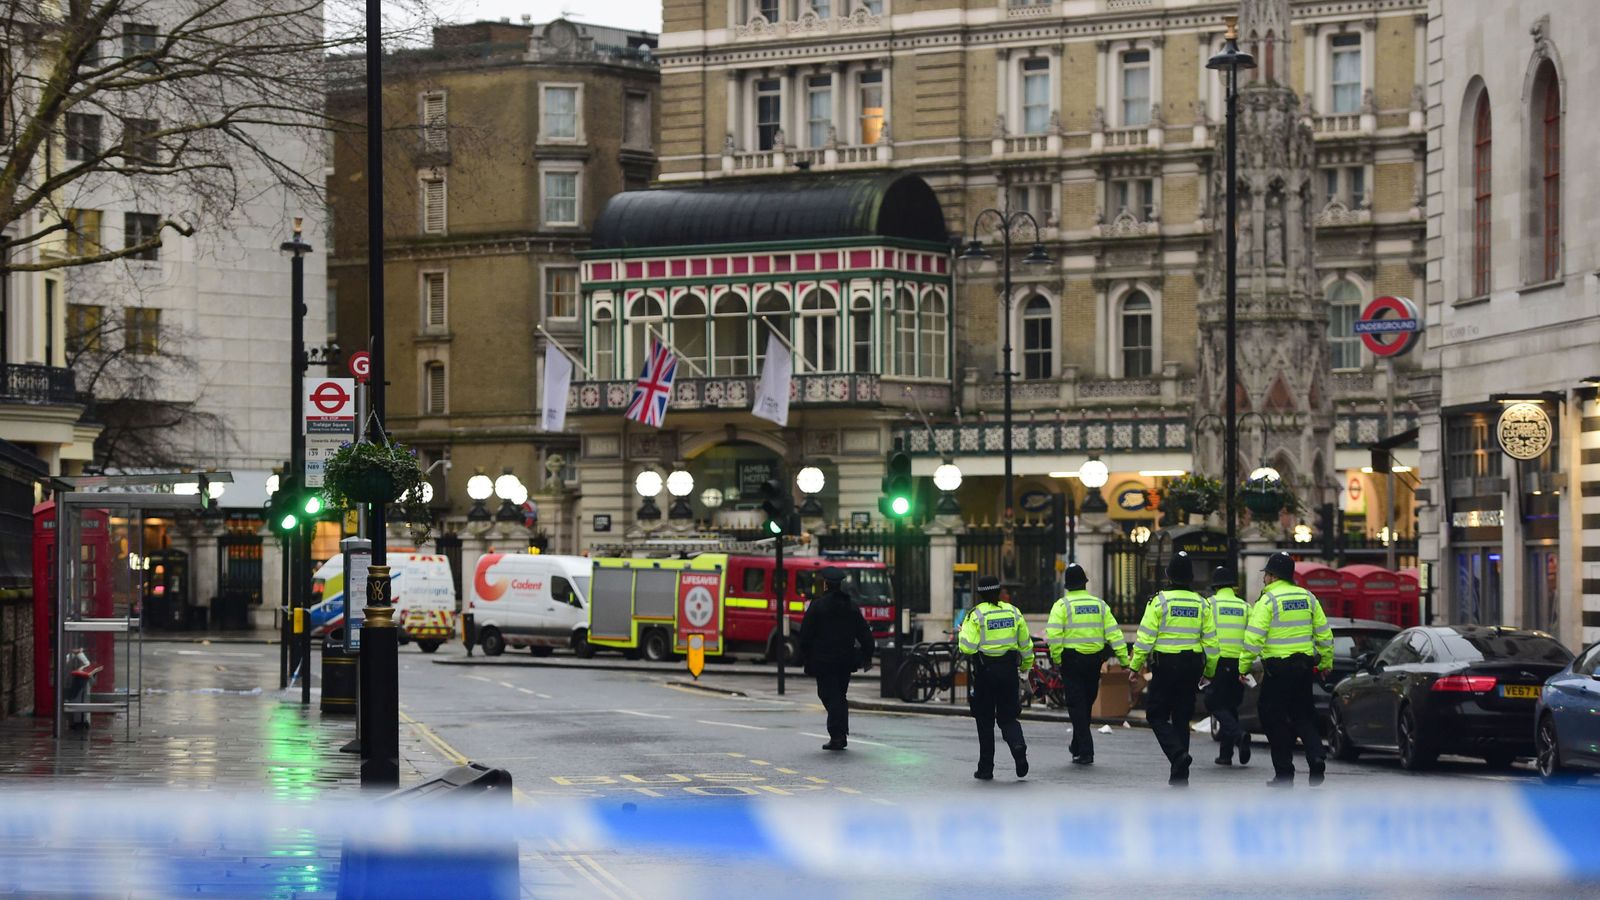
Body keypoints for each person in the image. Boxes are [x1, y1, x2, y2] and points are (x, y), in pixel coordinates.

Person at [1241, 551, 1334, 786]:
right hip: (1304, 668)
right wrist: (1325, 662)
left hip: (1278, 671)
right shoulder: (1308, 598)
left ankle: (1284, 773)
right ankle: (1316, 756)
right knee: (1304, 715)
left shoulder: (1268, 600)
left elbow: (1254, 638)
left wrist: (1243, 666)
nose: (1264, 579)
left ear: (1272, 576)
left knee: (1272, 718)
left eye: (1266, 575)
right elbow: (1324, 634)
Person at [1127, 551, 1219, 785]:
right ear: (1190, 577)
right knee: (1182, 716)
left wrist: (1135, 666)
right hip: (1192, 666)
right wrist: (1209, 672)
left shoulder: (1160, 601)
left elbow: (1145, 638)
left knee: (1156, 715)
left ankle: (1177, 755)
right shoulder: (1202, 603)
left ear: (1168, 576)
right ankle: (1180, 775)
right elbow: (1211, 642)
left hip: (1166, 666)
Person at [1044, 563, 1130, 765]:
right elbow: (1114, 634)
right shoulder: (1100, 605)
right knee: (1086, 703)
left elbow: (1054, 636)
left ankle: (1086, 750)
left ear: (1067, 585)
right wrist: (1125, 660)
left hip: (1072, 661)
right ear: (1084, 583)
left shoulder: (1061, 606)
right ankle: (1077, 745)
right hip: (1094, 661)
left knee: (1077, 705)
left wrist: (1057, 659)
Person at [957, 575, 1032, 781]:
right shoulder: (1013, 612)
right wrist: (1025, 667)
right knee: (1008, 717)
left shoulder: (976, 615)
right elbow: (1026, 645)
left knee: (985, 721)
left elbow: (967, 647)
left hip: (985, 674)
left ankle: (986, 768)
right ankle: (1018, 747)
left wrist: (962, 633)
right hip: (1009, 672)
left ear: (980, 594)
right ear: (999, 591)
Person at [798, 566, 874, 751]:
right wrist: (867, 654)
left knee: (828, 695)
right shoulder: (851, 605)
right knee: (839, 695)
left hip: (824, 660)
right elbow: (864, 632)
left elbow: (806, 633)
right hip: (845, 660)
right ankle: (840, 734)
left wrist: (806, 655)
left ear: (825, 585)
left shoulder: (817, 606)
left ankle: (837, 735)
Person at [1205, 566, 1252, 767]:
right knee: (1230, 706)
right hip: (1239, 663)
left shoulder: (1209, 605)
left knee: (1214, 703)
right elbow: (1252, 635)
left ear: (1215, 586)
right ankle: (1226, 755)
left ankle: (1239, 734)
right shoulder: (1244, 607)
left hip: (1218, 661)